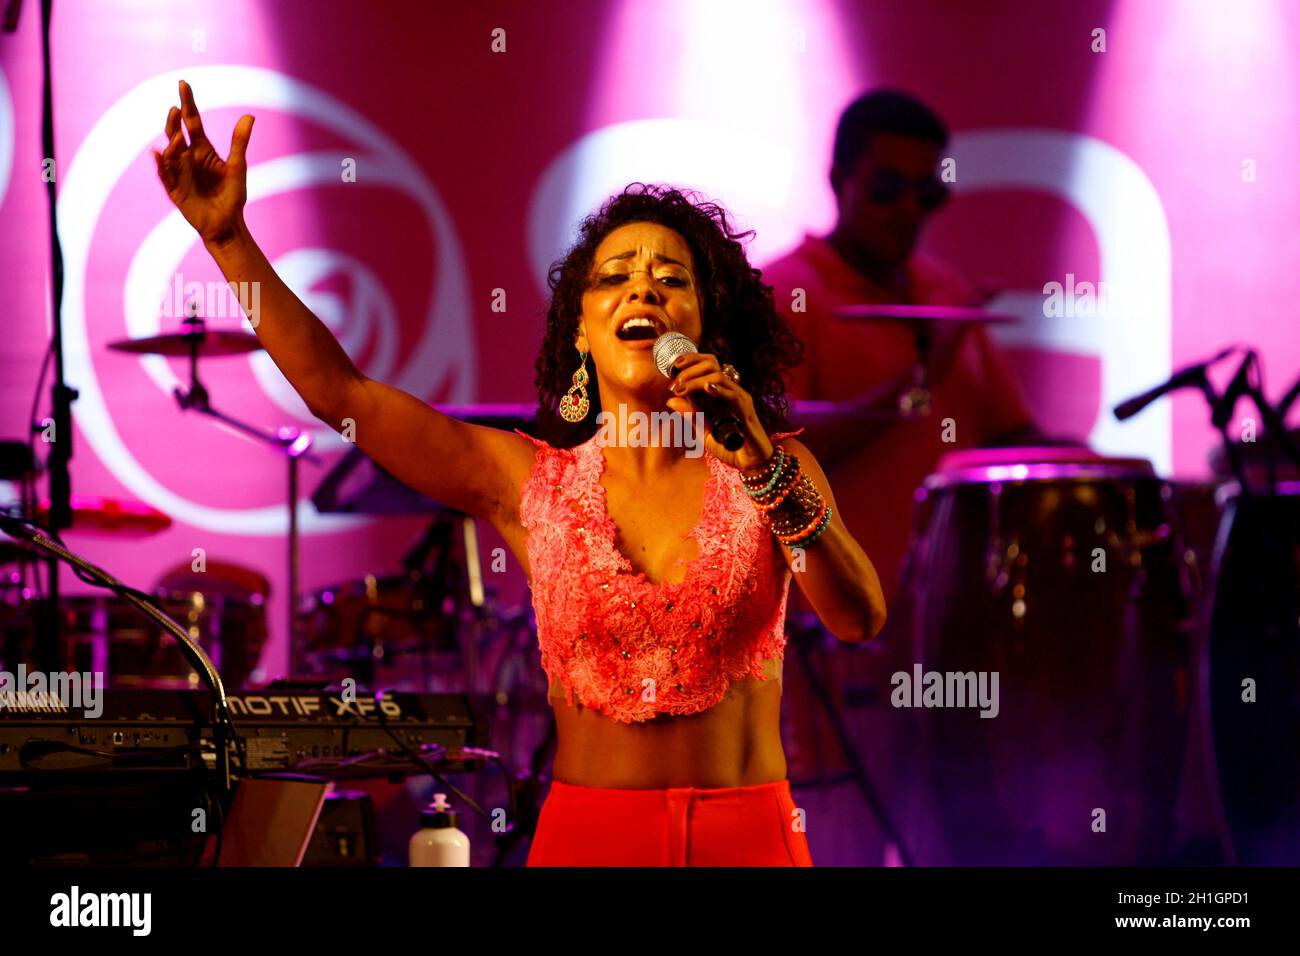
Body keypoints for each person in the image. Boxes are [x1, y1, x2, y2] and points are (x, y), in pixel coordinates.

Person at [154, 80, 887, 866]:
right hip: (589, 840)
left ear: (706, 322)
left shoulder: (773, 467)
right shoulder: (525, 478)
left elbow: (859, 618)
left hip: (746, 840)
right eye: (615, 276)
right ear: (582, 330)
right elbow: (344, 394)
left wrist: (764, 464)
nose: (643, 286)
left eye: (672, 279)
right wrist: (230, 244)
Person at [762, 88, 1045, 607]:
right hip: (832, 626)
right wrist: (919, 381)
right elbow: (774, 453)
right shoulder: (783, 294)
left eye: (927, 192)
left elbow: (1011, 438)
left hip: (952, 621)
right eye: (888, 189)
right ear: (837, 182)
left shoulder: (946, 291)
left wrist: (1104, 472)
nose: (910, 210)